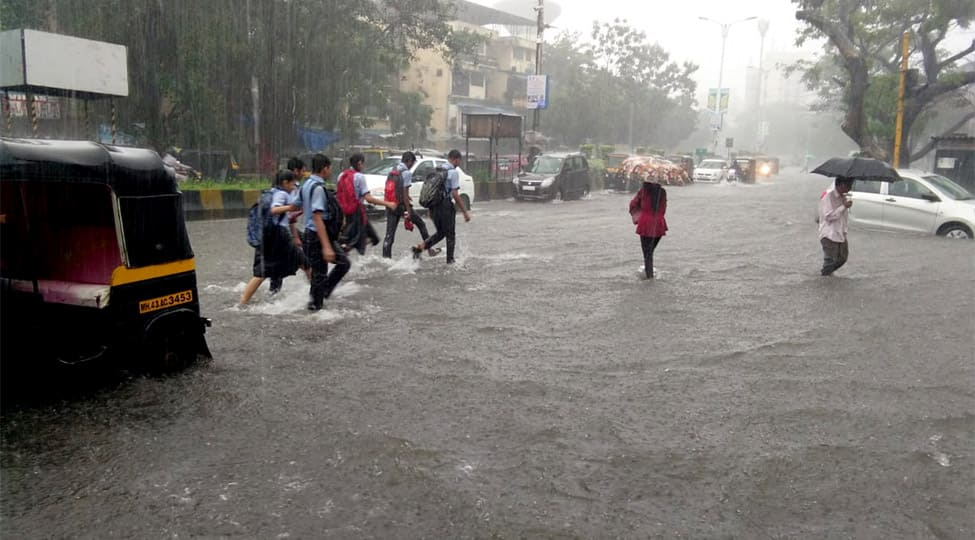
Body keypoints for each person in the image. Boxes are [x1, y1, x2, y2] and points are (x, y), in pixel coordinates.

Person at [240, 170, 308, 305]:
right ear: (285, 183)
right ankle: (318, 297)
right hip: (279, 236)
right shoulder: (282, 194)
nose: (294, 186)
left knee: (262, 272)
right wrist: (291, 207)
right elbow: (274, 210)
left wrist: (294, 235)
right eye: (292, 183)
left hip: (266, 237)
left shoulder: (268, 193)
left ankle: (244, 301)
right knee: (306, 264)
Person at [300, 154, 348, 311]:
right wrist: (326, 246)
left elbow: (296, 206)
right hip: (317, 236)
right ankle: (316, 306)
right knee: (326, 271)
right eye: (329, 168)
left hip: (309, 234)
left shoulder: (306, 185)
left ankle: (317, 299)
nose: (330, 171)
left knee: (319, 274)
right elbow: (317, 217)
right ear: (325, 168)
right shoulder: (319, 189)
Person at [411, 149, 471, 264]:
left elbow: (432, 190)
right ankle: (450, 261)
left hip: (434, 207)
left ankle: (419, 248)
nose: (459, 164)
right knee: (450, 235)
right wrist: (465, 212)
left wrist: (430, 209)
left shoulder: (437, 169)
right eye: (459, 161)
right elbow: (455, 194)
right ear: (455, 159)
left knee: (441, 233)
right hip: (445, 206)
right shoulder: (453, 172)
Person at [381, 151, 439, 258]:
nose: (412, 165)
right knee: (421, 224)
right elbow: (404, 192)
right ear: (409, 161)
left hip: (390, 205)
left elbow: (393, 189)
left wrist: (404, 197)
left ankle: (386, 259)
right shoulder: (406, 173)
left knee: (389, 235)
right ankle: (430, 249)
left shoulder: (393, 170)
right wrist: (408, 211)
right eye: (412, 163)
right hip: (401, 206)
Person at [338, 153, 396, 255]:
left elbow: (339, 195)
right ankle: (350, 252)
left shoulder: (341, 175)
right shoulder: (359, 177)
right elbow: (369, 198)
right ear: (359, 163)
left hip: (346, 212)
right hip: (357, 213)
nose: (363, 166)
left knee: (371, 238)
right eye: (363, 164)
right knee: (372, 239)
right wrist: (388, 204)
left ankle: (350, 247)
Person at [629, 172, 668, 279]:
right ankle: (649, 273)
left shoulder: (643, 192)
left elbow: (632, 204)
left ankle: (649, 276)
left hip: (645, 224)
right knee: (650, 251)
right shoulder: (662, 192)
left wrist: (638, 213)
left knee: (647, 253)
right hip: (659, 224)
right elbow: (663, 209)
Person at [818, 176, 853, 276]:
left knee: (843, 258)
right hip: (829, 234)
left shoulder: (843, 197)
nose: (849, 188)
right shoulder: (828, 197)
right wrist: (844, 207)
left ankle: (828, 275)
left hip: (840, 233)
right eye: (847, 185)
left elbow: (843, 217)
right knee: (830, 261)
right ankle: (825, 279)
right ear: (840, 184)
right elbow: (828, 216)